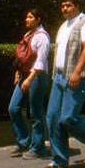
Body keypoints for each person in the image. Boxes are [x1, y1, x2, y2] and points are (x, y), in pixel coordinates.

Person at [42, 0, 85, 168]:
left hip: (78, 77)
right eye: (62, 6)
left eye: (68, 5)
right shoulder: (64, 26)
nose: (65, 9)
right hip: (59, 78)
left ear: (77, 6)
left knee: (68, 118)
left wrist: (77, 72)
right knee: (53, 118)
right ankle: (60, 161)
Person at [8, 9, 50, 159]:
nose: (27, 19)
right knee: (13, 108)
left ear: (38, 19)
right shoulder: (27, 35)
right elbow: (22, 56)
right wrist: (18, 72)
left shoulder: (42, 37)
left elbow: (41, 61)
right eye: (26, 16)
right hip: (25, 75)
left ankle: (38, 148)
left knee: (35, 112)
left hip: (37, 76)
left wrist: (30, 78)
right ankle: (23, 142)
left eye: (30, 17)